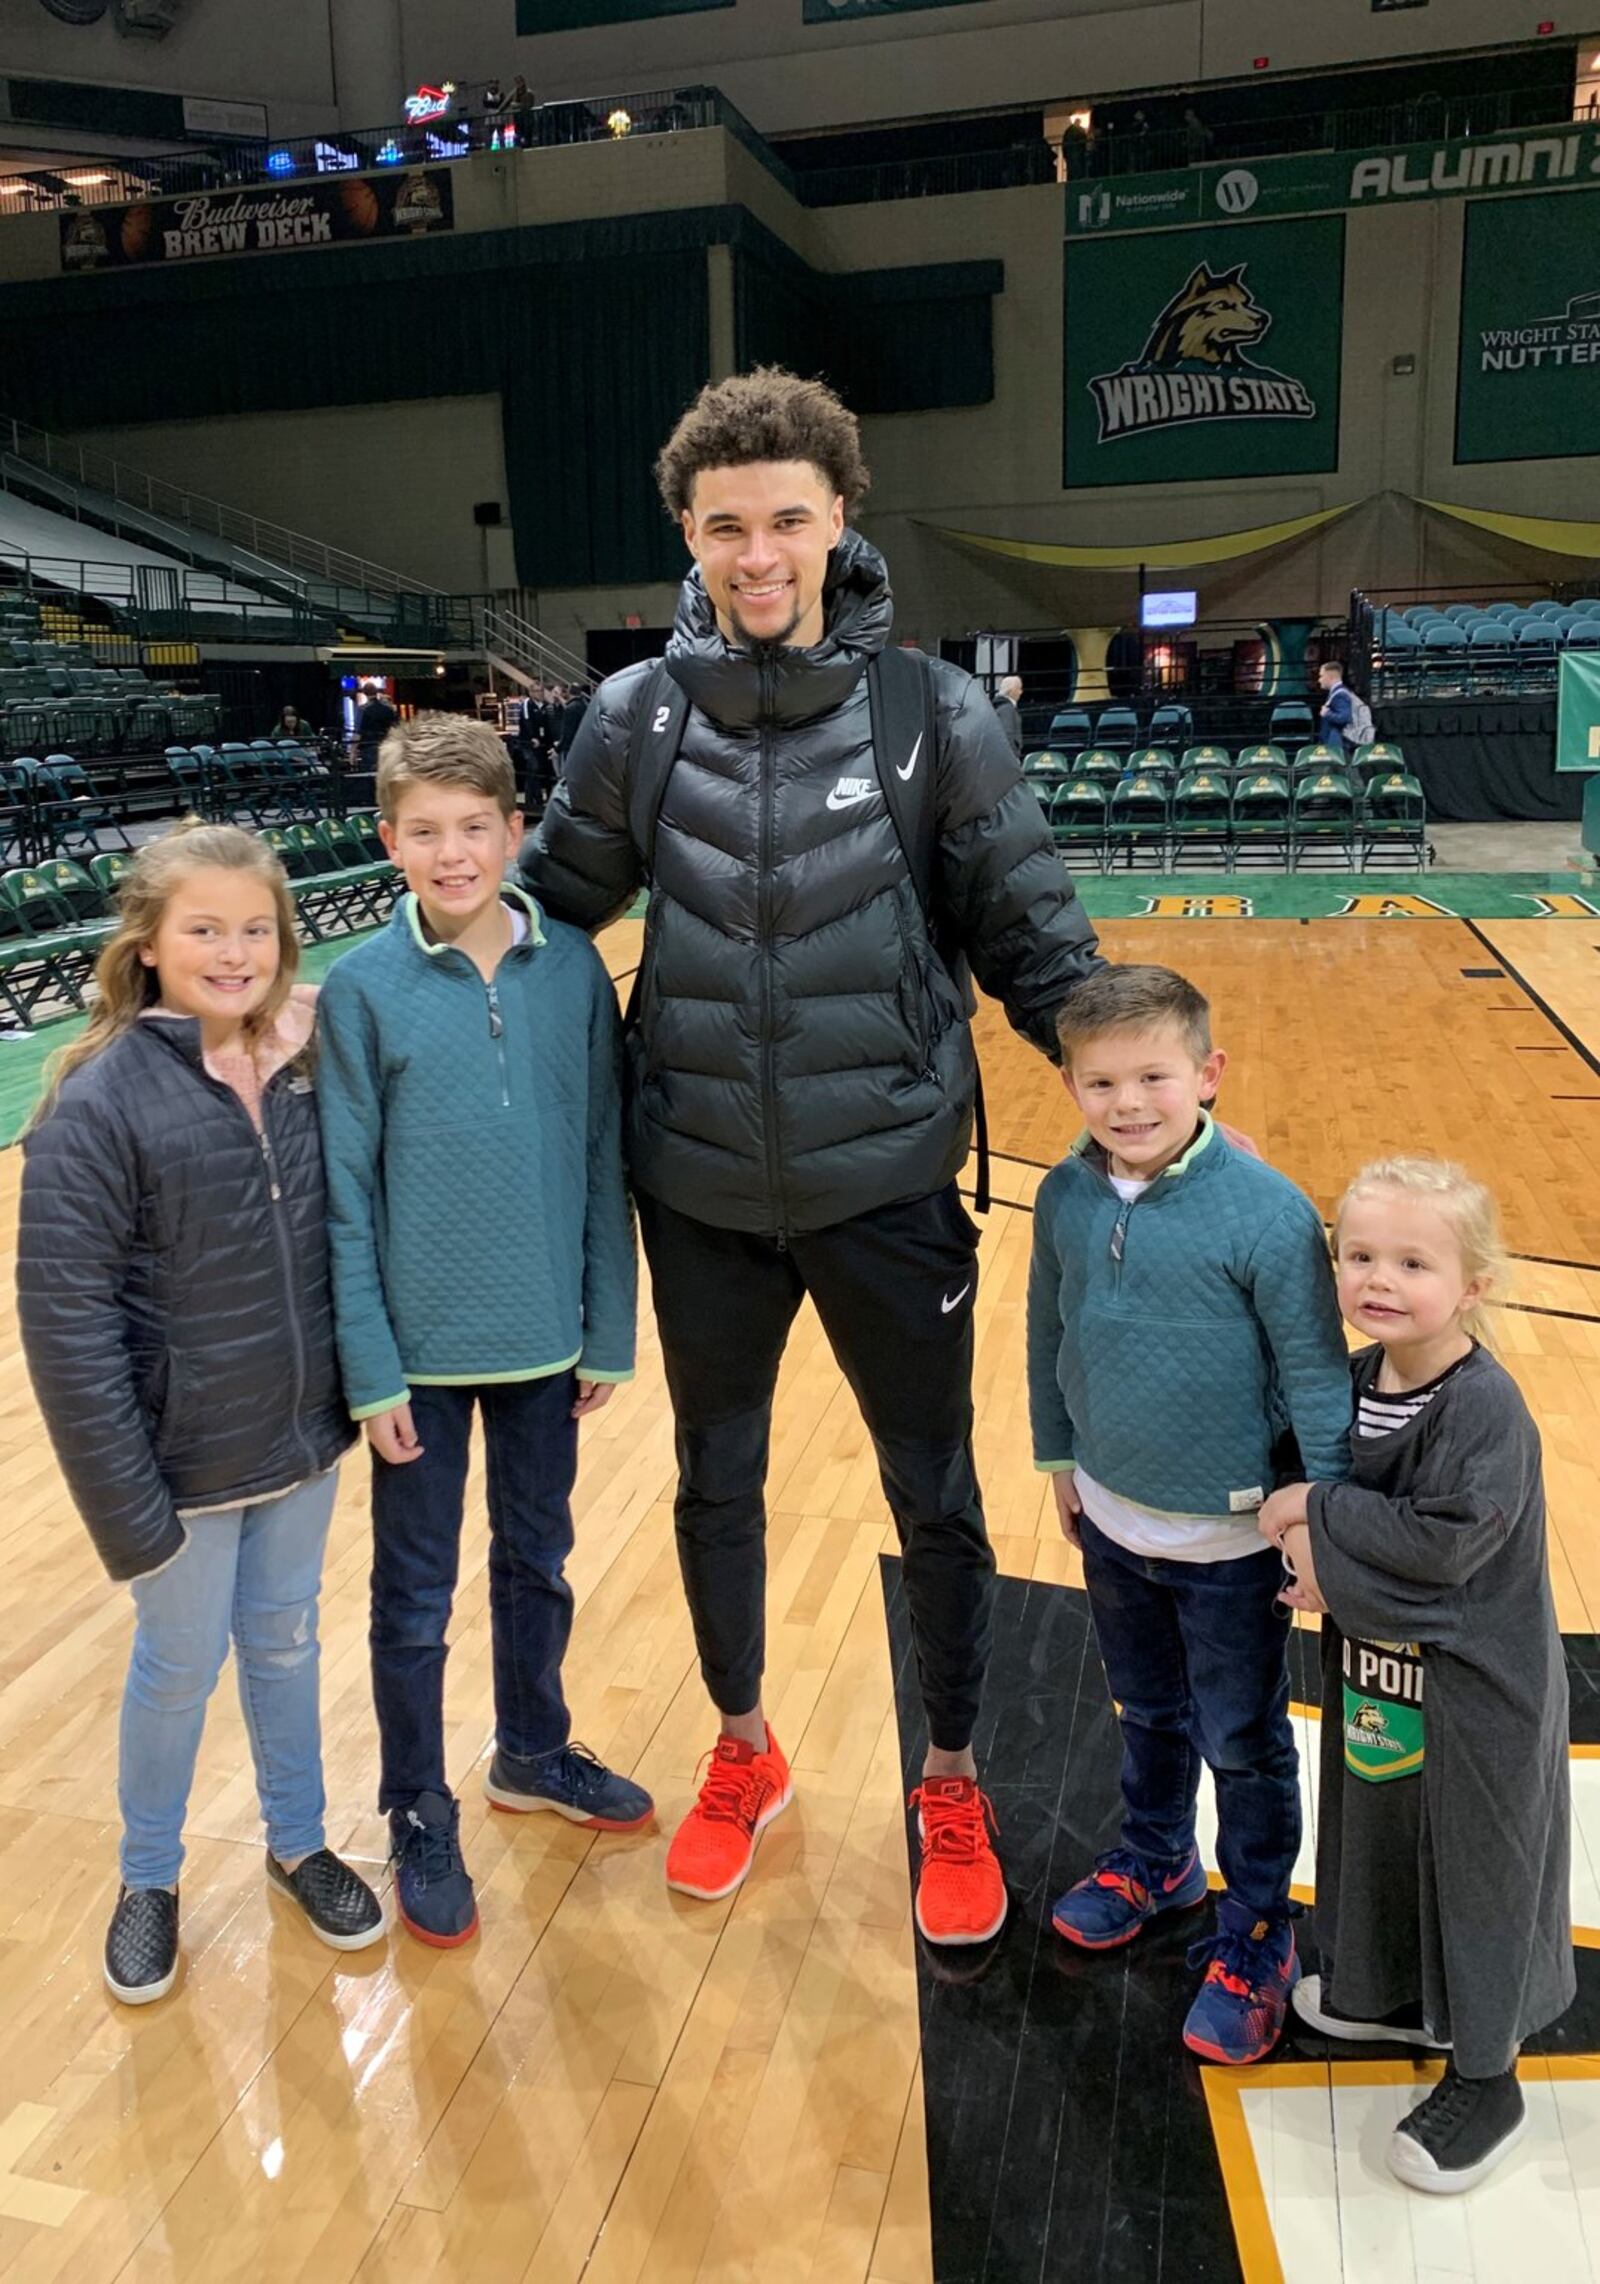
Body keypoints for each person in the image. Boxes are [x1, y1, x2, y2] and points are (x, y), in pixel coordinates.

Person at [520, 365, 1099, 1945]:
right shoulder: (631, 721)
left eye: (786, 518)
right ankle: (743, 1752)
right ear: (690, 537)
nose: (757, 552)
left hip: (889, 1182)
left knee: (936, 1497)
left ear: (840, 518)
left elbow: (1038, 942)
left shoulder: (933, 713)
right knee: (719, 1482)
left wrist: (1151, 1095)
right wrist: (341, 1014)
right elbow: (539, 918)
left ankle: (951, 1772)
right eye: (726, 526)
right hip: (696, 1186)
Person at [16, 822, 384, 2005]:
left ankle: (297, 1839)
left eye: (256, 928)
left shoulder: (301, 1061)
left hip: (298, 1439)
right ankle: (148, 1878)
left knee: (285, 1646)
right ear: (150, 942)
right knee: (176, 1671)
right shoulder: (98, 1103)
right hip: (176, 1473)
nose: (234, 951)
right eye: (204, 928)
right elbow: (69, 1334)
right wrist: (133, 1517)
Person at [317, 713, 648, 1948]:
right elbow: (347, 1195)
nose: (452, 854)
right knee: (412, 1597)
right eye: (423, 833)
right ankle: (414, 1801)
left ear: (516, 831)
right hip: (413, 1364)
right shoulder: (360, 990)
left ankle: (532, 1748)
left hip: (545, 1349)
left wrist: (606, 1328)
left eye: (474, 829)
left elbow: (605, 1153)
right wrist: (368, 1366)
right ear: (389, 839)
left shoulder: (572, 970)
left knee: (537, 1563)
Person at [1030, 964, 1351, 2062]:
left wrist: (1319, 1515)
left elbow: (1315, 1377)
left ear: (1206, 1075)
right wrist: (1059, 1457)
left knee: (1246, 1741)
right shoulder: (1062, 1194)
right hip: (1113, 1524)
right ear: (1069, 1083)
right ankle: (1156, 1857)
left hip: (1231, 1544)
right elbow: (1045, 1334)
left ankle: (1257, 1925)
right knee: (1147, 1711)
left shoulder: (1266, 1212)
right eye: (1100, 1081)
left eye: (1153, 1076)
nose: (1127, 1103)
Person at [1260, 1157, 1573, 2194]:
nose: (1377, 1278)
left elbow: (1443, 1551)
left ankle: (1487, 2074)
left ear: (1473, 1283)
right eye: (1357, 1255)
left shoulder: (1483, 1409)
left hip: (1477, 1687)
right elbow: (1291, 1471)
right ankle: (1383, 1985)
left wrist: (1316, 1522)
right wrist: (1298, 1527)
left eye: (1411, 1260)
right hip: (1381, 1670)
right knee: (1376, 1825)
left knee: (1479, 1865)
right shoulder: (1353, 1382)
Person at [1317, 659, 1370, 758]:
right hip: (1336, 745)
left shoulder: (1340, 694)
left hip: (1338, 745)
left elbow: (1344, 718)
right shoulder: (1339, 693)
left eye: (1321, 676)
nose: (1319, 680)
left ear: (1330, 677)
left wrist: (1327, 714)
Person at [356, 686, 397, 770]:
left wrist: (353, 752)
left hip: (368, 747)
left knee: (369, 776)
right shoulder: (388, 710)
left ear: (364, 693)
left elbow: (358, 732)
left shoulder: (363, 710)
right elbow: (395, 727)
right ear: (376, 692)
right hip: (386, 745)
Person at [992, 674, 1023, 756]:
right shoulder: (1007, 709)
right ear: (1011, 690)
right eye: (1019, 689)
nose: (1020, 692)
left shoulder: (999, 707)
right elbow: (1007, 735)